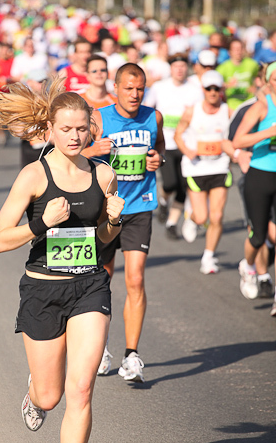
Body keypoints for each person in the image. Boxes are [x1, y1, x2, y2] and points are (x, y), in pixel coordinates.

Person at [0, 76, 125, 443]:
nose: (74, 136)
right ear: (50, 129)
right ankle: (34, 394)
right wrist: (41, 223)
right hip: (42, 289)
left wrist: (114, 223)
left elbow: (103, 238)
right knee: (50, 397)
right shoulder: (33, 175)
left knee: (81, 387)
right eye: (66, 129)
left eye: (81, 129)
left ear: (90, 130)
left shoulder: (103, 173)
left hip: (89, 284)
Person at [84, 63, 165, 380]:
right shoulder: (100, 117)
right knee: (101, 281)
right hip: (106, 209)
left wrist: (158, 158)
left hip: (140, 206)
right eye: (128, 88)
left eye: (140, 88)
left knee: (136, 279)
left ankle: (132, 355)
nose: (134, 94)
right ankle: (100, 348)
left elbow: (160, 149)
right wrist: (93, 149)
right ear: (115, 87)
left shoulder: (153, 117)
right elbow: (73, 154)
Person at [174, 71, 232, 274]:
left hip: (220, 167)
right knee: (202, 218)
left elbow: (235, 135)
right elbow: (178, 134)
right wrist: (187, 150)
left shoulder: (227, 111)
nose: (213, 92)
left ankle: (209, 256)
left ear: (222, 90)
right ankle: (191, 216)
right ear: (203, 90)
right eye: (209, 88)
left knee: (216, 216)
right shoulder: (192, 111)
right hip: (196, 168)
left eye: (217, 88)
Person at [232, 61, 276, 316]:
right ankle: (247, 265)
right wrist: (268, 132)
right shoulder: (261, 106)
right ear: (268, 80)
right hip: (260, 174)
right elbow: (238, 140)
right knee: (258, 236)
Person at [144, 53, 202, 238]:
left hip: (186, 144)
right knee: (170, 183)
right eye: (176, 66)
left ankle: (171, 223)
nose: (180, 70)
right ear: (170, 69)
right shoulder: (159, 87)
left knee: (184, 186)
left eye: (183, 66)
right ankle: (163, 199)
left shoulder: (195, 90)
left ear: (187, 69)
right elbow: (146, 108)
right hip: (165, 143)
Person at [217, 38, 259, 112]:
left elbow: (260, 78)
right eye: (235, 49)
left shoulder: (252, 64)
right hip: (231, 106)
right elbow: (215, 86)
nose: (238, 51)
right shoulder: (223, 67)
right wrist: (227, 85)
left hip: (249, 104)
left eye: (240, 48)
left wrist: (256, 88)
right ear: (229, 51)